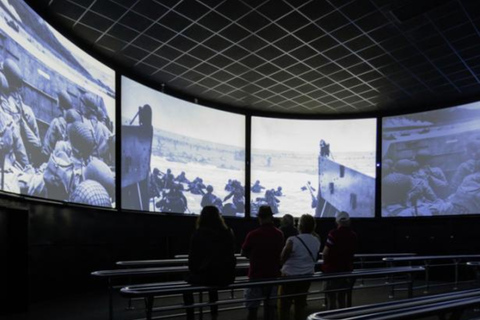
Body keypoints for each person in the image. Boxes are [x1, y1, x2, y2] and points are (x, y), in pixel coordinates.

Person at [183, 206, 236, 320]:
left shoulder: (198, 234)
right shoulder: (228, 232)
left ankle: (190, 316)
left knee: (187, 286)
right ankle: (214, 314)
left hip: (206, 277)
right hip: (225, 277)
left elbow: (192, 260)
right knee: (213, 280)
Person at [241, 205, 284, 320]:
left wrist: (253, 257)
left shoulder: (253, 234)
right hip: (273, 275)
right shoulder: (279, 234)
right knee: (270, 308)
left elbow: (243, 252)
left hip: (256, 275)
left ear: (259, 217)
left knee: (252, 309)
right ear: (271, 217)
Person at [279, 214, 320, 320]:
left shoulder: (292, 240)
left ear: (300, 226)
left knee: (284, 306)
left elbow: (282, 257)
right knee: (300, 305)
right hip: (306, 277)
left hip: (289, 277)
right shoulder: (316, 241)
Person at [322, 211, 358, 310]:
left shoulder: (333, 234)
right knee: (342, 298)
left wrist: (325, 264)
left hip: (332, 271)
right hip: (346, 270)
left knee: (331, 299)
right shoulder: (353, 235)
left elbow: (325, 253)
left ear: (337, 221)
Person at [41, 90, 73, 159]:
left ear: (61, 103)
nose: (56, 99)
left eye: (58, 98)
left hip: (52, 158)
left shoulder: (56, 122)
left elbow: (47, 147)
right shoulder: (71, 122)